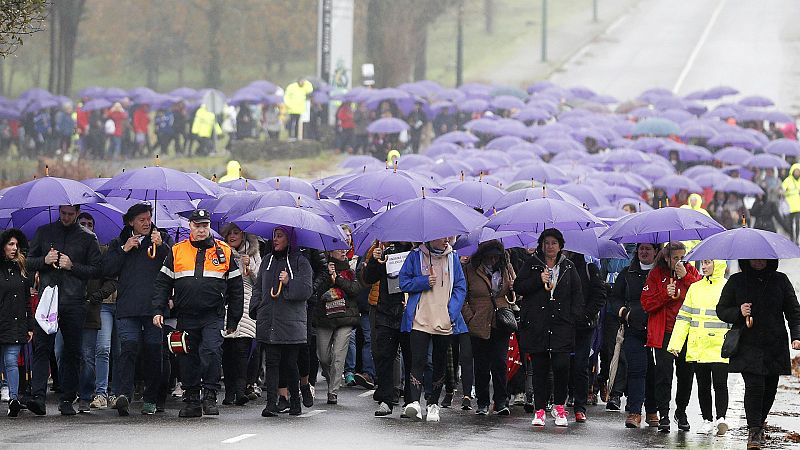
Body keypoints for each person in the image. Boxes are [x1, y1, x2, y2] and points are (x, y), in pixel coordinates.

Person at [152, 209, 243, 418]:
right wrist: (158, 310)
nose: (201, 230)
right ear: (190, 227)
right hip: (186, 315)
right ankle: (192, 398)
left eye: (205, 225)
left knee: (211, 352)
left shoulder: (225, 251)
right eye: (197, 226)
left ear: (209, 226)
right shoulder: (177, 251)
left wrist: (234, 319)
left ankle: (209, 396)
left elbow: (236, 288)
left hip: (213, 315)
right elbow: (162, 284)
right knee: (186, 356)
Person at [26, 205, 102, 416]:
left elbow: (97, 270)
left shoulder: (88, 237)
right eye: (63, 213)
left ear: (77, 213)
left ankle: (67, 398)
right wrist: (44, 260)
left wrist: (72, 266)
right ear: (59, 211)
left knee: (72, 351)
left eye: (70, 214)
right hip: (48, 299)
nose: (66, 217)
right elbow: (28, 263)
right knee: (42, 348)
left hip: (74, 300)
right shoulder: (44, 231)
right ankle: (38, 397)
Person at [717, 259, 800, 449]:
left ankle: (759, 423)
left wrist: (797, 336)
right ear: (746, 259)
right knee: (755, 387)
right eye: (754, 257)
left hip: (774, 344)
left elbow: (794, 312)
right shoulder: (737, 281)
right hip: (747, 344)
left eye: (763, 257)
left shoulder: (781, 280)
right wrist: (739, 311)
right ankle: (754, 431)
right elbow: (721, 310)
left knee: (769, 389)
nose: (759, 261)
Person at [104, 203, 172, 416]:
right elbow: (107, 270)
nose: (146, 223)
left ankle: (151, 398)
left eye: (148, 218)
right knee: (129, 350)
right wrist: (124, 250)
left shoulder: (161, 241)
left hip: (153, 308)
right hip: (128, 307)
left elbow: (173, 266)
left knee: (154, 352)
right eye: (141, 219)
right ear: (130, 222)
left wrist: (161, 247)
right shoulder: (119, 242)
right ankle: (124, 394)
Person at [513, 229, 583, 428]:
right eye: (546, 243)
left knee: (561, 366)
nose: (550, 247)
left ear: (560, 245)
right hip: (537, 324)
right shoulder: (533, 264)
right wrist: (538, 280)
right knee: (540, 368)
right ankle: (540, 409)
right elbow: (518, 286)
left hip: (562, 325)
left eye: (553, 243)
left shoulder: (569, 267)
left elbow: (577, 294)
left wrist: (573, 317)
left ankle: (559, 406)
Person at [399, 238, 467, 423]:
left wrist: (450, 313)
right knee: (417, 360)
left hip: (444, 320)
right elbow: (403, 282)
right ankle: (414, 401)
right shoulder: (415, 256)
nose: (447, 240)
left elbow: (461, 287)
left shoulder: (453, 257)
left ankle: (433, 403)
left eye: (449, 236)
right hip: (419, 319)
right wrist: (423, 281)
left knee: (439, 362)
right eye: (443, 236)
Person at [250, 226, 312, 418]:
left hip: (291, 323)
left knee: (290, 363)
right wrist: (256, 307)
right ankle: (271, 403)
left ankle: (295, 402)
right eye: (274, 236)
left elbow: (306, 291)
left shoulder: (301, 262)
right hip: (269, 320)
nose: (275, 240)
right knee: (272, 362)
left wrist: (288, 282)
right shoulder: (267, 260)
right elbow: (259, 286)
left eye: (280, 236)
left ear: (289, 239)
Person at [640, 241, 701, 433]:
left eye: (683, 257)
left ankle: (680, 411)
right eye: (675, 258)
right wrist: (665, 295)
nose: (680, 262)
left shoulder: (691, 273)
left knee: (686, 375)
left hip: (686, 332)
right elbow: (646, 304)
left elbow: (702, 296)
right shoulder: (656, 274)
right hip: (664, 333)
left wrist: (686, 278)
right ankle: (664, 413)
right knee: (664, 375)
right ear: (666, 258)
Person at [667, 260, 730, 436]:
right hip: (699, 345)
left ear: (717, 265)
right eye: (703, 263)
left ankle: (721, 418)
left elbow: (733, 317)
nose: (704, 266)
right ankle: (707, 420)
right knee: (703, 385)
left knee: (720, 383)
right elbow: (684, 317)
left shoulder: (727, 287)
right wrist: (676, 344)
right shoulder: (695, 288)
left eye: (708, 263)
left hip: (720, 345)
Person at [461, 240, 514, 416]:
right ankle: (482, 402)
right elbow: (463, 297)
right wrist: (470, 317)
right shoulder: (470, 269)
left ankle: (501, 401)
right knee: (481, 364)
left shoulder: (506, 268)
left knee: (500, 362)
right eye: (489, 256)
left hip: (501, 320)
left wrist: (514, 288)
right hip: (479, 321)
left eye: (496, 256)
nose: (493, 260)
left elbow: (516, 294)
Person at [364, 241, 414, 417]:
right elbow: (368, 278)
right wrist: (374, 260)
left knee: (411, 359)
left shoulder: (417, 252)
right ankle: (386, 398)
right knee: (384, 356)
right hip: (386, 311)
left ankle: (411, 400)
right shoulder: (387, 251)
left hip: (410, 313)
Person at [611, 243, 659, 428]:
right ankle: (635, 412)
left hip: (657, 329)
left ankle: (653, 410)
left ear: (656, 251)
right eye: (641, 249)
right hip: (634, 328)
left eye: (648, 249)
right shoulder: (627, 273)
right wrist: (624, 312)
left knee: (654, 372)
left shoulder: (662, 274)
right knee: (637, 370)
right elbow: (614, 298)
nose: (644, 252)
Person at [75, 213, 117, 413]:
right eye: (81, 223)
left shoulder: (102, 251)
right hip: (70, 307)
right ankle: (72, 390)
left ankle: (94, 393)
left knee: (98, 351)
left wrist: (97, 296)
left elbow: (111, 279)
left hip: (97, 308)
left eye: (89, 224)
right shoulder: (69, 250)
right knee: (62, 352)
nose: (85, 227)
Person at [314, 244, 362, 405]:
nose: (343, 251)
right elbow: (317, 292)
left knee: (338, 356)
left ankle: (332, 391)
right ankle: (331, 379)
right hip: (325, 318)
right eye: (339, 248)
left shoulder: (349, 270)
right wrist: (328, 276)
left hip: (346, 318)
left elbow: (355, 290)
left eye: (344, 249)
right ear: (330, 251)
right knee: (324, 356)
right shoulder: (323, 269)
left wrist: (339, 279)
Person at [220, 223, 261, 406]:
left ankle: (240, 389)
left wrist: (249, 266)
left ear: (244, 235)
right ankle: (229, 392)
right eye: (229, 233)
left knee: (242, 350)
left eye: (236, 233)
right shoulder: (220, 252)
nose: (232, 236)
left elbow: (260, 281)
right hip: (227, 303)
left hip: (246, 304)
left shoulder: (253, 254)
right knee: (227, 352)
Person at [568, 251, 606, 423]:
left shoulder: (589, 268)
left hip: (584, 325)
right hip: (563, 324)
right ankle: (561, 400)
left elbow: (599, 295)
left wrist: (585, 315)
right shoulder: (557, 268)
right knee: (561, 364)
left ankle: (580, 406)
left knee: (581, 365)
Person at [0, 229, 33, 417]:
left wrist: (30, 326)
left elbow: (27, 300)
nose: (14, 248)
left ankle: (13, 398)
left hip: (16, 323)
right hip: (3, 320)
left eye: (16, 244)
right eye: (10, 244)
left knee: (11, 360)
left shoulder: (21, 268)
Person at [782, 163, 800, 243]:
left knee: (797, 223)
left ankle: (796, 239)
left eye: (798, 171)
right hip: (789, 206)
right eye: (796, 171)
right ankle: (791, 238)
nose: (797, 173)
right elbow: (782, 190)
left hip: (798, 206)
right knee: (790, 223)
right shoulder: (788, 180)